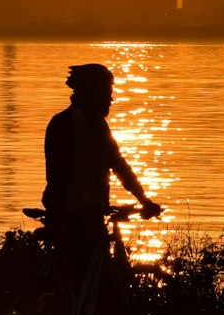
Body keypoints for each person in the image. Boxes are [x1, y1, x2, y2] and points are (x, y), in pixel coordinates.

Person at [42, 62, 161, 225]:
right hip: (78, 215)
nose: (110, 99)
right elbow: (118, 164)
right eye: (107, 93)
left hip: (75, 210)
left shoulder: (64, 121)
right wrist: (144, 200)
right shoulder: (87, 124)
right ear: (92, 92)